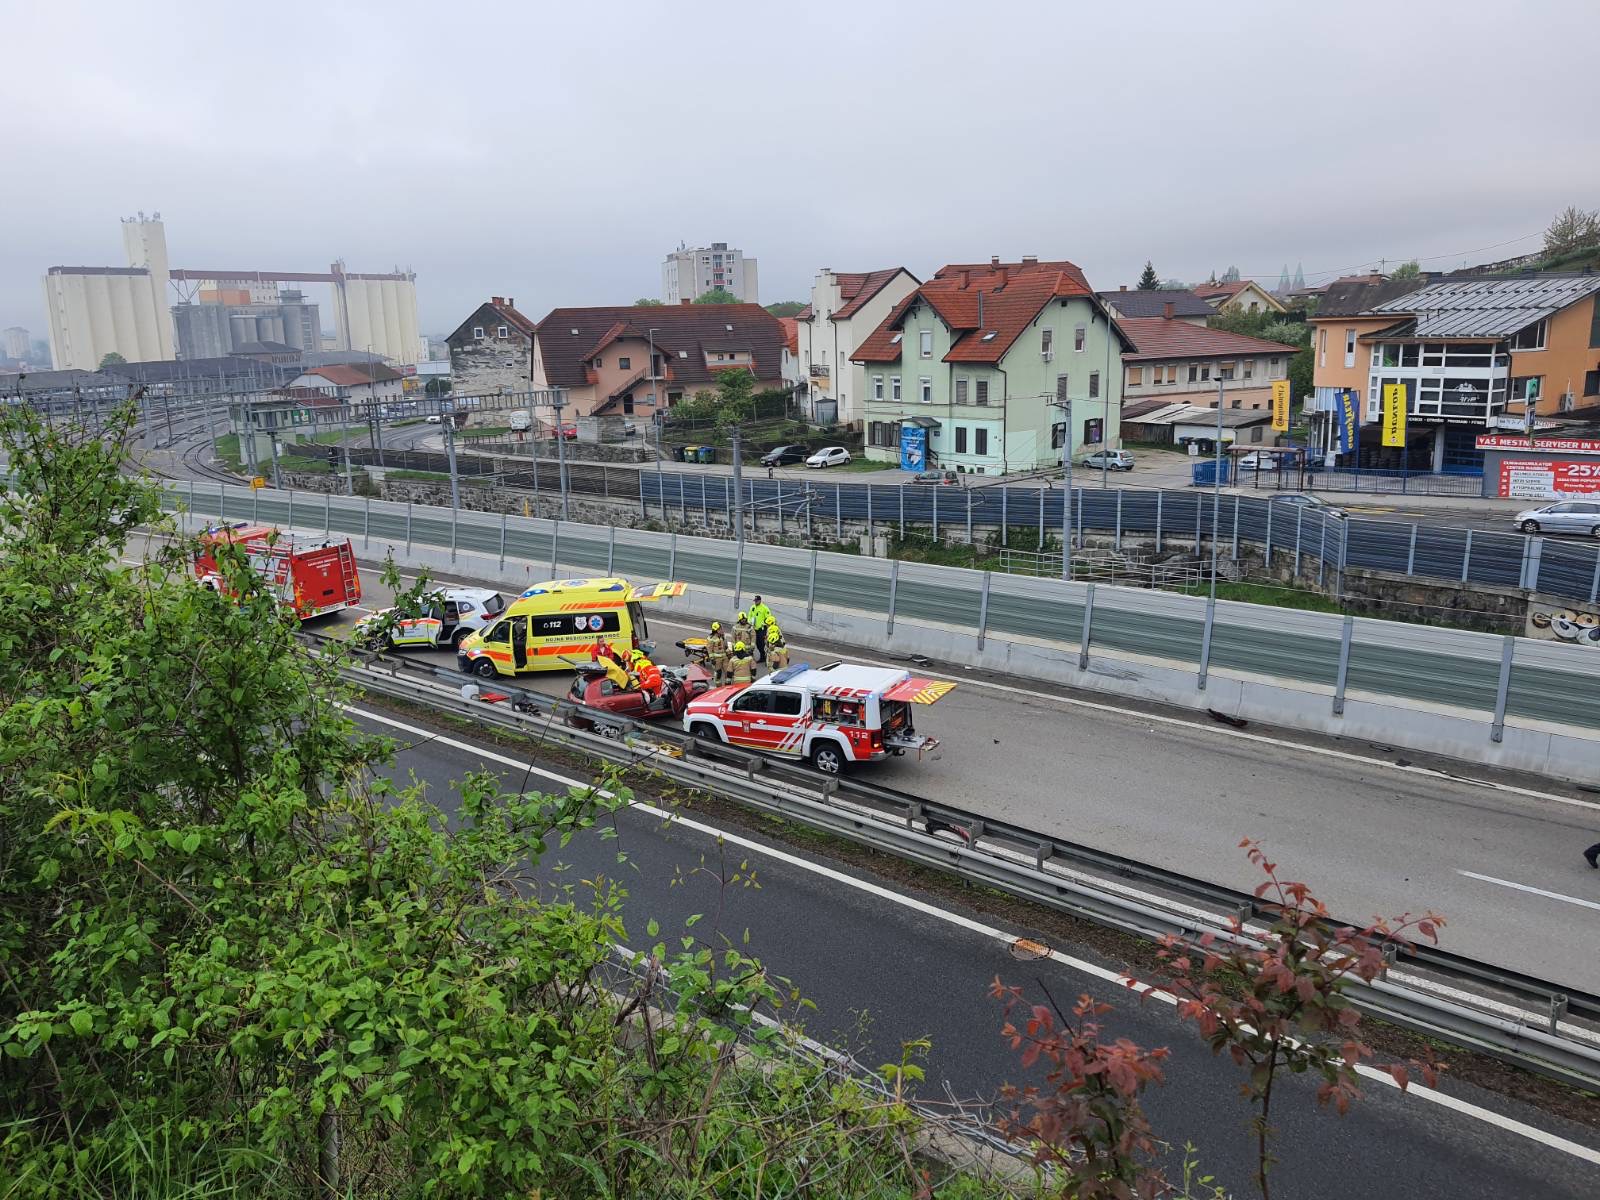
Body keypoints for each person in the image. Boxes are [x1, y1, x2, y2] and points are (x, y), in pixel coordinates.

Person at [749, 595, 774, 663]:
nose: (755, 602)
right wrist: (750, 623)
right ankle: (762, 657)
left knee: (763, 644)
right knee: (757, 644)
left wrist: (764, 623)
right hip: (754, 629)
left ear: (760, 601)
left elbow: (768, 617)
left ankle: (766, 658)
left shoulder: (764, 608)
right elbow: (750, 616)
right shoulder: (752, 607)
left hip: (762, 629)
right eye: (755, 601)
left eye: (757, 601)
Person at [706, 620, 729, 685]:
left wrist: (729, 654)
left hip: (725, 658)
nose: (722, 630)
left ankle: (728, 685)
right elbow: (709, 650)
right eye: (720, 628)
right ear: (716, 630)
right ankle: (718, 687)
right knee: (718, 673)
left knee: (728, 672)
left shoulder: (723, 636)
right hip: (717, 659)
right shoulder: (711, 638)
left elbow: (726, 647)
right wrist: (712, 659)